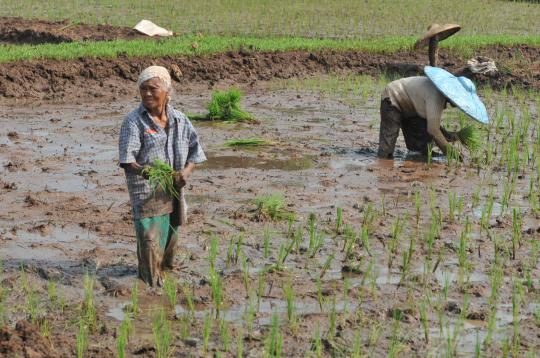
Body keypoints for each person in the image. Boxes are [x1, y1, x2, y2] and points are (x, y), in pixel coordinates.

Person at [119, 65, 206, 287]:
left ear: (167, 91)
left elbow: (196, 152)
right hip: (147, 194)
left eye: (153, 88)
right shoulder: (134, 121)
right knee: (149, 241)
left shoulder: (180, 120)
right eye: (143, 89)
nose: (147, 93)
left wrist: (185, 173)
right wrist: (146, 171)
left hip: (174, 190)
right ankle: (147, 285)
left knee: (170, 242)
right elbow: (127, 160)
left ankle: (166, 280)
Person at [377, 66, 489, 160]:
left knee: (418, 150)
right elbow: (433, 130)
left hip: (412, 109)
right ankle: (383, 166)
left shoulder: (440, 95)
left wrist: (456, 136)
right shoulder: (437, 95)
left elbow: (433, 125)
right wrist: (450, 153)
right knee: (387, 149)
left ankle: (414, 161)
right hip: (392, 98)